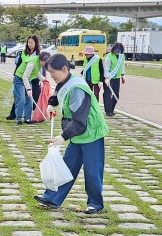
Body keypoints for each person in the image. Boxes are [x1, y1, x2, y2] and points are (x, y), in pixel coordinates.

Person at [33, 54, 109, 214]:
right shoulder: (64, 81)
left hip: (91, 133)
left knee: (92, 170)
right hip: (76, 134)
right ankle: (52, 198)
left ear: (64, 69)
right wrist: (51, 103)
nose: (51, 76)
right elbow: (59, 93)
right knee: (66, 167)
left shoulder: (77, 88)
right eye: (49, 72)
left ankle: (95, 203)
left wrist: (62, 137)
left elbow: (80, 120)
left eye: (53, 72)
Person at [13, 35, 41, 124]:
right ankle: (18, 118)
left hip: (30, 78)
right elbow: (20, 64)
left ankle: (27, 118)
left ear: (36, 43)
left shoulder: (38, 54)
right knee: (21, 98)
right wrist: (14, 75)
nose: (30, 44)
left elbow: (38, 69)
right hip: (20, 77)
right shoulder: (24, 53)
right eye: (29, 42)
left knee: (29, 98)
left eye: (32, 42)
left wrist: (43, 79)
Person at [103, 42, 126, 116]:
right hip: (109, 78)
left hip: (117, 78)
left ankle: (111, 110)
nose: (117, 52)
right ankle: (108, 111)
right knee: (108, 95)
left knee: (116, 95)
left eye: (119, 51)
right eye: (116, 51)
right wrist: (107, 78)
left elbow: (122, 66)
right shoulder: (109, 57)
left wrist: (122, 75)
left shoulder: (122, 56)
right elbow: (106, 68)